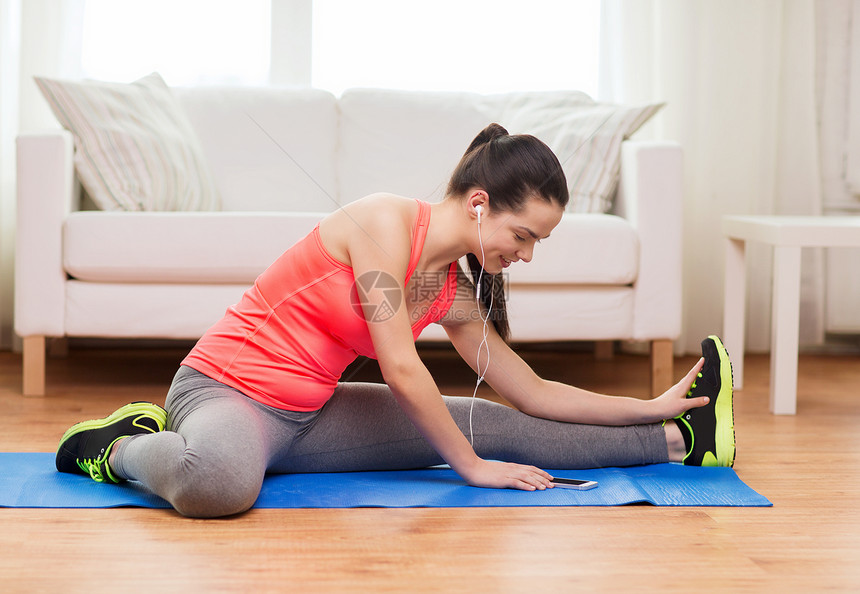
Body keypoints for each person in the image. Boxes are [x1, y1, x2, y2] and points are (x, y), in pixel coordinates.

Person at [56, 123, 735, 518]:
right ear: (478, 203)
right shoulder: (382, 224)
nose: (523, 256)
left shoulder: (455, 293)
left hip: (309, 415)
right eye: (522, 235)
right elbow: (399, 366)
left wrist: (647, 406)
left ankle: (680, 439)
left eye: (537, 245)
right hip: (225, 391)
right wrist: (469, 469)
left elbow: (532, 392)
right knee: (219, 486)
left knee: (500, 425)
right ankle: (116, 447)